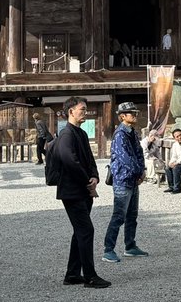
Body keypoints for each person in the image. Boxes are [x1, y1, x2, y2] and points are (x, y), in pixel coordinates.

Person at [47, 96, 109, 288]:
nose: (85, 112)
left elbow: (89, 159)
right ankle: (89, 276)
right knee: (86, 230)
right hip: (72, 191)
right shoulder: (66, 134)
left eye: (85, 109)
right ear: (71, 112)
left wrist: (95, 176)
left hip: (83, 189)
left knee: (80, 231)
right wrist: (86, 180)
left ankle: (73, 274)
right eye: (82, 109)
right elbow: (69, 160)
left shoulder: (80, 134)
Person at [103, 102, 149, 263]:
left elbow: (139, 152)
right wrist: (139, 171)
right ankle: (108, 249)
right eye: (131, 113)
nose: (134, 115)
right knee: (119, 216)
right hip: (123, 178)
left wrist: (142, 170)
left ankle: (130, 246)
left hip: (133, 178)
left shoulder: (132, 132)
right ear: (122, 116)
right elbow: (125, 158)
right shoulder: (120, 134)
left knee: (132, 215)